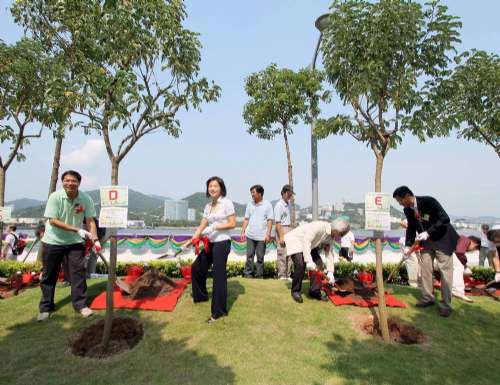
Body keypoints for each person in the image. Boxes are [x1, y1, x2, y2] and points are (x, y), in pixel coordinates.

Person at [37, 170, 100, 321]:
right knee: (49, 275)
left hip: (74, 243)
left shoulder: (85, 199)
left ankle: (81, 305)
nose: (70, 183)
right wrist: (77, 229)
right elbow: (53, 220)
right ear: (62, 182)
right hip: (53, 241)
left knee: (78, 273)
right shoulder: (55, 197)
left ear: (79, 183)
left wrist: (95, 239)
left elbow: (90, 221)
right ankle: (46, 307)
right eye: (67, 180)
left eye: (73, 181)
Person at [393, 186, 459, 317]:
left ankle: (446, 304)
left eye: (400, 200)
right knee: (425, 269)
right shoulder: (407, 210)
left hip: (442, 240)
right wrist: (408, 246)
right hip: (426, 243)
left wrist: (429, 232)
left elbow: (445, 219)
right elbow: (411, 228)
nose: (400, 204)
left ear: (407, 196)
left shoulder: (429, 201)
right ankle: (428, 297)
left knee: (445, 272)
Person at [190, 176, 236, 323]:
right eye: (210, 186)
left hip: (222, 243)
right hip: (211, 242)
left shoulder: (227, 203)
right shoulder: (208, 207)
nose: (212, 189)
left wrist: (215, 227)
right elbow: (203, 224)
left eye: (215, 186)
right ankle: (201, 296)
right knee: (197, 267)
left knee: (218, 276)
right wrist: (195, 236)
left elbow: (232, 223)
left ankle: (218, 312)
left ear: (221, 188)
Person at [284, 219, 350, 303]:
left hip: (310, 245)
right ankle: (295, 291)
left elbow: (329, 253)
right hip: (297, 241)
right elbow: (306, 242)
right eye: (340, 234)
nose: (339, 237)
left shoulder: (331, 236)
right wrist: (308, 261)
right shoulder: (318, 227)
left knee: (318, 263)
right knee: (300, 264)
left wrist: (330, 272)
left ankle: (314, 291)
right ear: (336, 229)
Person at [240, 185, 273, 278]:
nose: (252, 194)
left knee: (260, 257)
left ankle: (259, 276)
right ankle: (248, 274)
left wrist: (268, 234)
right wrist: (242, 231)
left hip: (262, 237)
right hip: (250, 235)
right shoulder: (250, 204)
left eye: (253, 192)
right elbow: (246, 219)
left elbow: (270, 220)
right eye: (251, 193)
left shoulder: (267, 205)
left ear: (260, 193)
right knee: (249, 256)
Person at [452, 235, 481, 303]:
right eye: (474, 249)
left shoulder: (462, 239)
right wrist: (464, 263)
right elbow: (459, 253)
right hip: (443, 255)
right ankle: (458, 291)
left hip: (442, 255)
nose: (471, 251)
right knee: (459, 267)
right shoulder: (466, 240)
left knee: (467, 271)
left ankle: (454, 288)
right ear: (475, 244)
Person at [274, 185, 294, 280]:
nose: (290, 196)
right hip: (282, 229)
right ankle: (282, 275)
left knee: (289, 253)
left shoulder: (289, 204)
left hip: (289, 229)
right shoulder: (279, 206)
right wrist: (281, 236)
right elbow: (277, 223)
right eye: (289, 194)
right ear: (285, 193)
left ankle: (288, 274)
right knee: (282, 253)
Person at [399, 219, 421, 288]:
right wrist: (411, 228)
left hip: (418, 244)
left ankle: (420, 284)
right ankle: (414, 285)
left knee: (420, 264)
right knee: (412, 263)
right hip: (408, 244)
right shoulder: (413, 215)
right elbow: (402, 223)